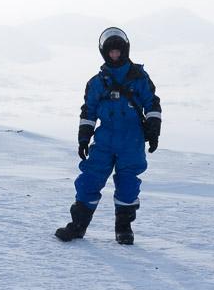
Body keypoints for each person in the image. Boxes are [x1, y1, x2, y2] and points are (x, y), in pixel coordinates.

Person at [55, 27, 162, 245]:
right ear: (104, 53)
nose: (115, 55)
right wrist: (84, 138)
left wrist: (154, 130)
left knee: (128, 184)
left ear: (125, 51)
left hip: (132, 140)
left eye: (118, 51)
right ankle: (78, 226)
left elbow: (152, 104)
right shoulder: (96, 82)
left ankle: (124, 228)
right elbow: (89, 111)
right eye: (111, 51)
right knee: (89, 180)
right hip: (104, 139)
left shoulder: (140, 77)